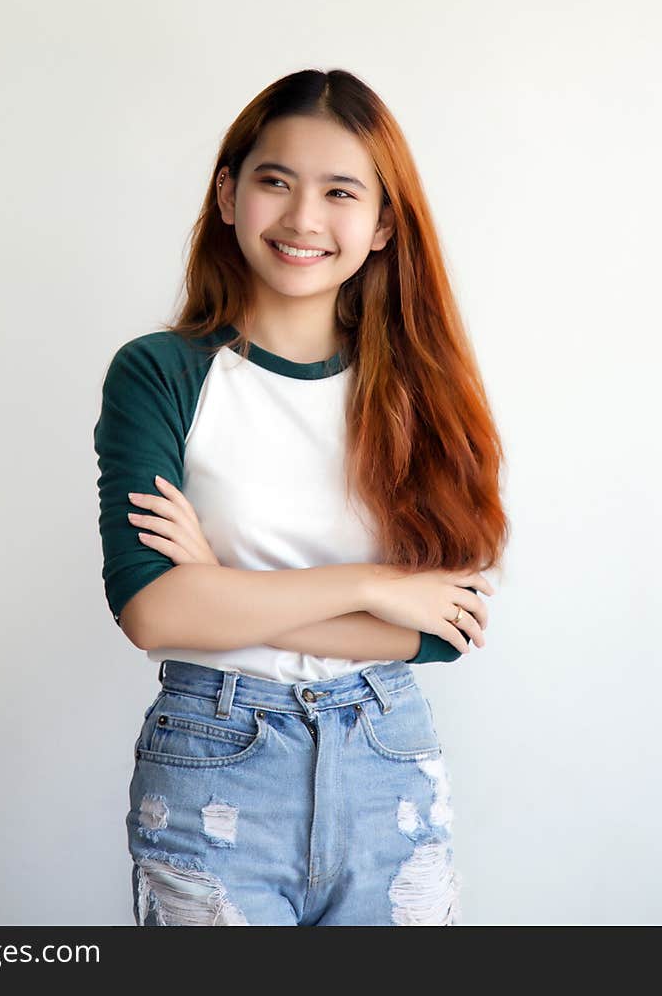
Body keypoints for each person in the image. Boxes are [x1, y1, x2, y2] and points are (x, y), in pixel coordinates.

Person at [93, 68, 509, 926]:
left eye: (340, 192)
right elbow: (151, 612)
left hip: (388, 768)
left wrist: (220, 586)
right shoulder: (161, 375)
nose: (303, 219)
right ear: (227, 194)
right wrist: (369, 586)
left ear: (385, 223)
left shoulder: (423, 391)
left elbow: (445, 632)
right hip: (216, 765)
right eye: (274, 181)